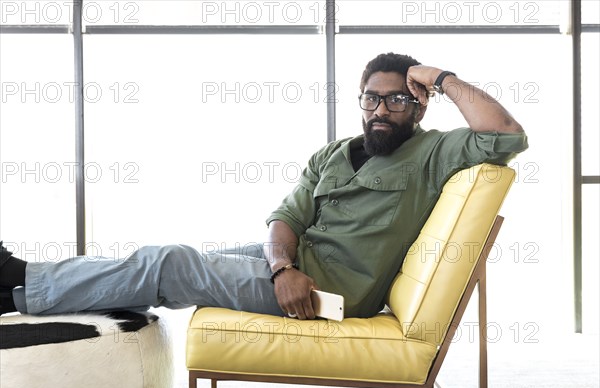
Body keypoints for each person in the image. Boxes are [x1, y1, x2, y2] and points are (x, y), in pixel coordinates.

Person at [0, 52, 528, 319]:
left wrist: (439, 77)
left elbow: (507, 135)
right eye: (372, 98)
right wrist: (282, 265)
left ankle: (19, 277)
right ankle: (22, 295)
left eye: (397, 99)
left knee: (171, 263)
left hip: (334, 291)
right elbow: (286, 218)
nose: (382, 109)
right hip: (299, 266)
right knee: (164, 260)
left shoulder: (435, 150)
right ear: (360, 100)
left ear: (418, 104)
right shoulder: (334, 153)